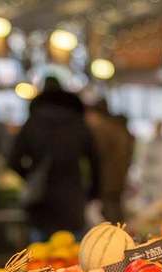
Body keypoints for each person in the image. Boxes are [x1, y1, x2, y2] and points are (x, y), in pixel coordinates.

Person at [9, 77, 100, 241]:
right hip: (72, 197)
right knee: (74, 255)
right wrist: (93, 194)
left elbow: (13, 161)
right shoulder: (78, 123)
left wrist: (30, 175)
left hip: (41, 199)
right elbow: (95, 161)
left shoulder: (33, 122)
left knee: (40, 256)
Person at [85, 100, 134, 224]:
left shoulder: (102, 130)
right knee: (117, 214)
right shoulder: (117, 128)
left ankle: (118, 241)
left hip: (107, 181)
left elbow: (96, 156)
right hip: (119, 178)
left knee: (110, 221)